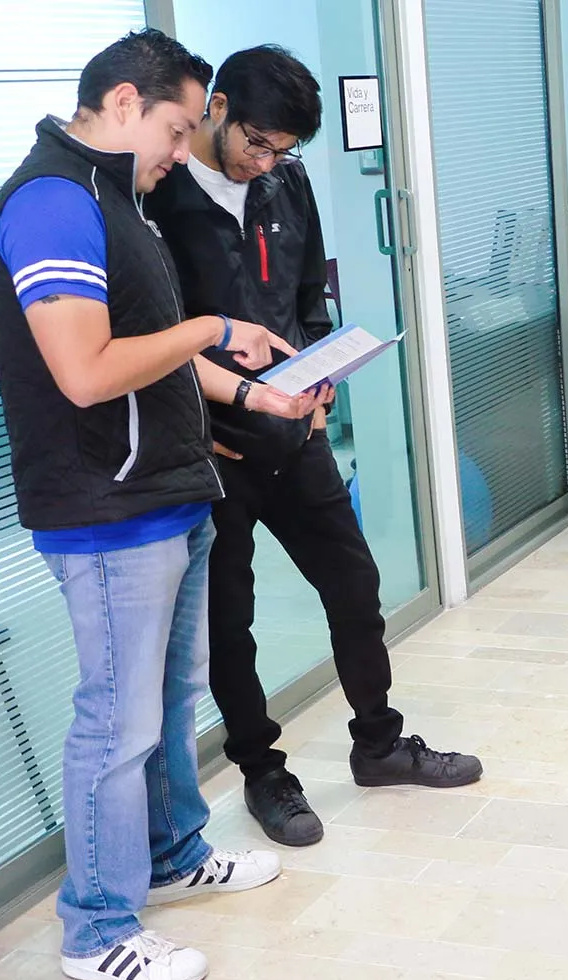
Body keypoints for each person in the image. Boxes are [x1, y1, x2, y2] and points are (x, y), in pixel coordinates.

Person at [0, 29, 293, 980]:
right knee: (114, 722)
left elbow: (154, 351)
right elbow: (84, 374)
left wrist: (252, 391)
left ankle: (171, 853)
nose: (178, 150)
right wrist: (214, 325)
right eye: (171, 128)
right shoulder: (51, 203)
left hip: (166, 493)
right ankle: (96, 927)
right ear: (122, 104)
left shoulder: (118, 201)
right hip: (105, 511)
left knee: (163, 702)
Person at [144, 45, 483, 848]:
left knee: (354, 583)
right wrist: (213, 421)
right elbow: (154, 346)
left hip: (296, 437)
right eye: (257, 142)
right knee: (232, 623)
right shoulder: (157, 204)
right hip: (212, 456)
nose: (266, 161)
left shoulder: (284, 185)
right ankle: (264, 774)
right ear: (216, 107)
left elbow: (306, 301)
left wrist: (322, 376)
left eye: (283, 151)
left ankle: (379, 742)